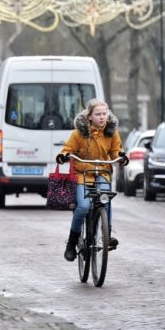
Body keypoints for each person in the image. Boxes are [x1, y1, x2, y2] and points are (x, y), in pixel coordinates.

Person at [55, 99, 128, 262]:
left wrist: (121, 158)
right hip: (82, 173)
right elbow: (67, 150)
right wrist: (63, 156)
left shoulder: (111, 132)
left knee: (105, 201)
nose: (102, 117)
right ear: (89, 117)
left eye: (105, 113)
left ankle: (107, 235)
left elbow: (116, 151)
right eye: (98, 114)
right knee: (83, 206)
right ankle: (72, 242)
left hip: (102, 171)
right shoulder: (79, 133)